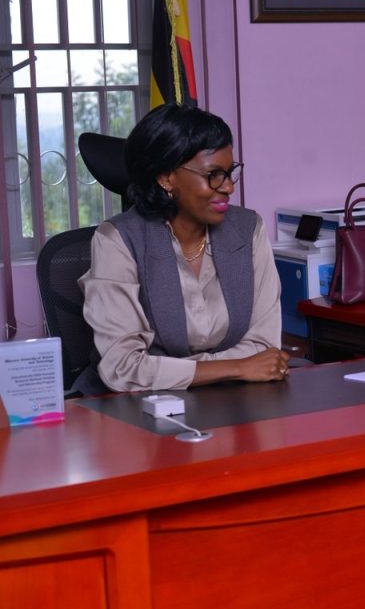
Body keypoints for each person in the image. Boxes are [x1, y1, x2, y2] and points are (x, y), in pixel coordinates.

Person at [76, 104, 291, 395]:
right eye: (214, 174)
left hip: (231, 401)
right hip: (135, 411)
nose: (228, 187)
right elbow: (122, 368)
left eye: (230, 172)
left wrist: (166, 369)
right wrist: (237, 367)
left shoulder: (248, 229)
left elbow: (264, 346)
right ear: (166, 178)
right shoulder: (117, 239)